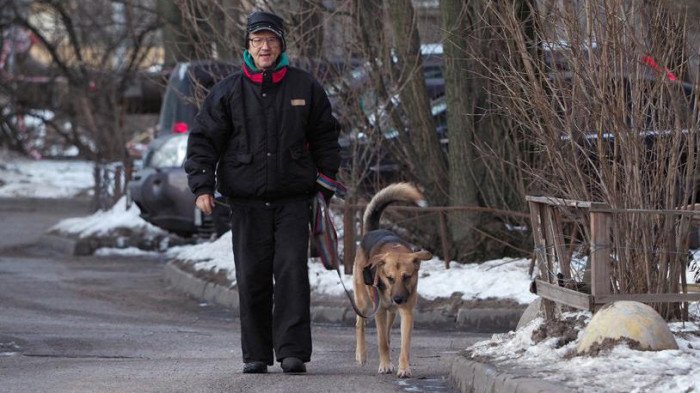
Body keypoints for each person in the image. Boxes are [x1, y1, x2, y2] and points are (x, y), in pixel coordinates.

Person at [184, 10, 341, 374]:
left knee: (291, 275)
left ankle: (292, 352)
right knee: (252, 277)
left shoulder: (306, 87)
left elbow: (327, 139)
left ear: (281, 44)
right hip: (246, 203)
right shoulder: (228, 91)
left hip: (291, 200)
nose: (264, 47)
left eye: (270, 40)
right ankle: (255, 354)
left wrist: (324, 185)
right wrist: (202, 186)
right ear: (248, 47)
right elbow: (203, 141)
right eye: (257, 41)